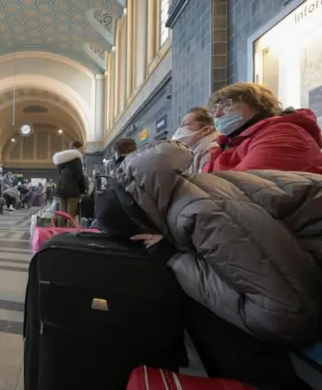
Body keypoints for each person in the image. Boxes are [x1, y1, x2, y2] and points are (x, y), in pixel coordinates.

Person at [118, 141, 320, 389]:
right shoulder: (185, 194)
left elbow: (287, 315)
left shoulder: (199, 212)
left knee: (206, 313)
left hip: (300, 296)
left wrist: (174, 258)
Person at [204, 82, 322, 173]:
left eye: (225, 105)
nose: (217, 114)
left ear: (258, 104)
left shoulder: (283, 133)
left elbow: (244, 188)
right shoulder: (227, 144)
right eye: (213, 110)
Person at [171, 106, 219, 173]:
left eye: (186, 124)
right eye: (181, 126)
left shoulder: (210, 150)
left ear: (205, 130)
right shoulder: (191, 152)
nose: (180, 130)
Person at [53, 141, 87, 223]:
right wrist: (83, 189)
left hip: (61, 189)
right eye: (81, 148)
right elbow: (79, 175)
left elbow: (60, 174)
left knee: (62, 212)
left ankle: (60, 232)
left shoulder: (62, 160)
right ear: (76, 148)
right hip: (72, 189)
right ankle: (69, 233)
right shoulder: (76, 159)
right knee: (71, 214)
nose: (82, 150)